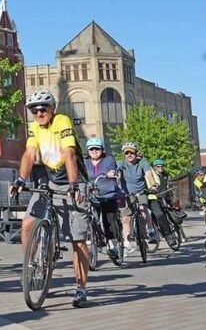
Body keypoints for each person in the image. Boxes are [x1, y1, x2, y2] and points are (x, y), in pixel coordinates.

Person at [9, 91, 91, 308]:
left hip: (73, 181)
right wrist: (20, 179)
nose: (39, 114)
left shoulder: (62, 121)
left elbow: (69, 154)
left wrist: (73, 185)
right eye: (34, 111)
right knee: (28, 223)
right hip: (50, 181)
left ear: (52, 109)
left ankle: (81, 288)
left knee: (77, 240)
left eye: (43, 109)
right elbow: (29, 154)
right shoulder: (35, 128)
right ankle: (33, 265)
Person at [82, 137, 124, 263]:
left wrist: (111, 173)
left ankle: (113, 244)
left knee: (109, 220)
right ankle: (92, 239)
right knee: (87, 217)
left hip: (108, 195)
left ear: (102, 150)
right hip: (91, 195)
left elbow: (112, 168)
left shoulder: (108, 160)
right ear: (88, 151)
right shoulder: (85, 162)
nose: (94, 151)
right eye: (92, 149)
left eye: (97, 149)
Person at [116, 141, 159, 254]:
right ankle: (126, 242)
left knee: (143, 209)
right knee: (126, 218)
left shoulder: (142, 163)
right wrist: (117, 181)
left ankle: (150, 230)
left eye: (131, 152)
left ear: (136, 153)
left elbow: (148, 174)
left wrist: (153, 186)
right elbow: (117, 174)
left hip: (140, 191)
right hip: (126, 194)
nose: (129, 155)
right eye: (127, 153)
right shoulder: (121, 163)